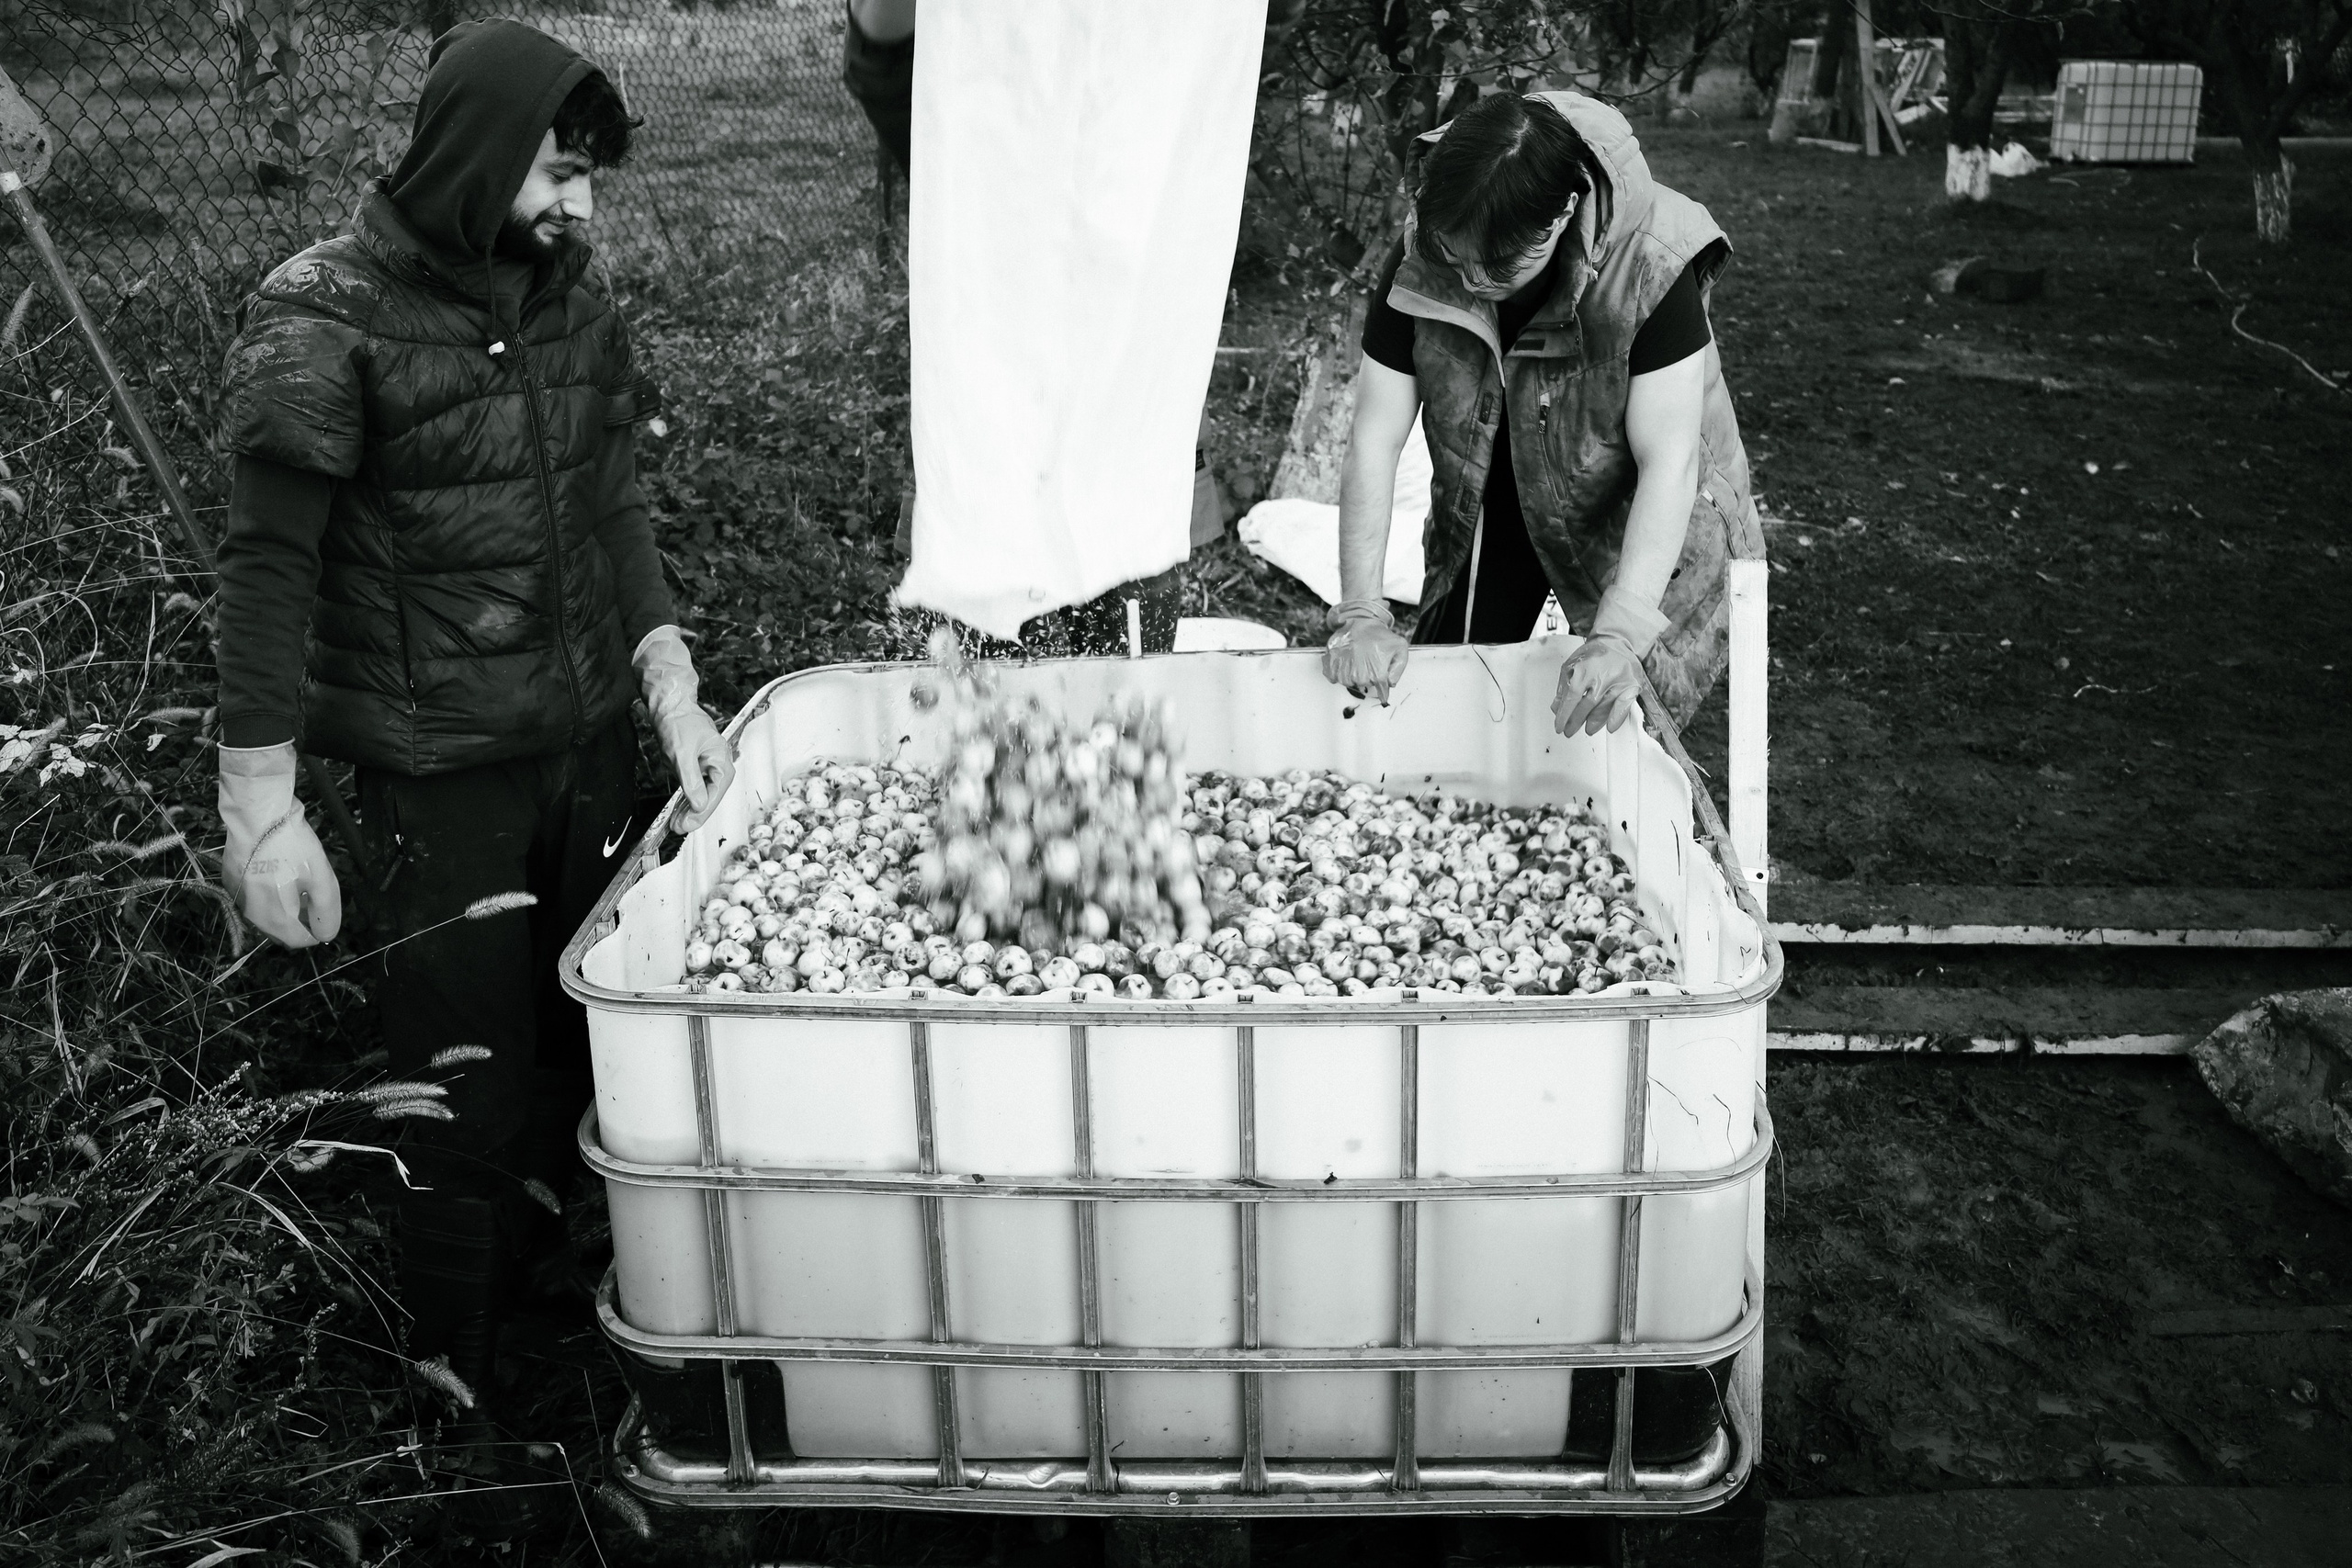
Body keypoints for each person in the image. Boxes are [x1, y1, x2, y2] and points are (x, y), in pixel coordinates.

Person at [209, 17, 733, 1505]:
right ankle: (446, 1382)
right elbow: (266, 572)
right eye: (561, 174)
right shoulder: (322, 315)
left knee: (600, 1042)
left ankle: (587, 1308)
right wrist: (261, 805)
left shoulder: (569, 299)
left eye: (591, 180)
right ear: (478, 156)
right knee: (464, 1080)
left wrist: (668, 676)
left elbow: (616, 496)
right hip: (441, 773)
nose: (583, 208)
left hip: (583, 750)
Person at [1321, 89, 1766, 737]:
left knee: (1628, 727)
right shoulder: (1426, 250)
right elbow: (1375, 436)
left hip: (1638, 516)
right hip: (1494, 490)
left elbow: (1669, 460)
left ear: (1565, 211)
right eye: (1457, 256)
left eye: (1500, 263)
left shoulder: (1652, 260)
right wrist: (1360, 610)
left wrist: (1621, 631)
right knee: (1452, 707)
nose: (1472, 279)